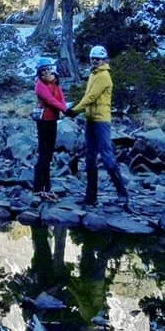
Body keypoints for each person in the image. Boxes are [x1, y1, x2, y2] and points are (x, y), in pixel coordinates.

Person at [65, 45, 131, 211]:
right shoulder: (93, 74)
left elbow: (91, 97)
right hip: (90, 119)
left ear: (105, 60)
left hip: (101, 120)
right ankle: (91, 197)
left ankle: (122, 194)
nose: (95, 61)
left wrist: (73, 111)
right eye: (93, 58)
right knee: (90, 158)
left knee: (107, 156)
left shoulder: (103, 76)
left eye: (98, 58)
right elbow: (88, 97)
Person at [32, 56, 67, 200]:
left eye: (49, 69)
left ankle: (47, 186)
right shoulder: (40, 85)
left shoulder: (54, 82)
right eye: (44, 70)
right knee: (44, 154)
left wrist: (64, 108)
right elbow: (50, 100)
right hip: (44, 120)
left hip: (53, 119)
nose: (47, 72)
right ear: (40, 72)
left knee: (49, 154)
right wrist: (66, 110)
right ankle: (38, 187)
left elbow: (60, 98)